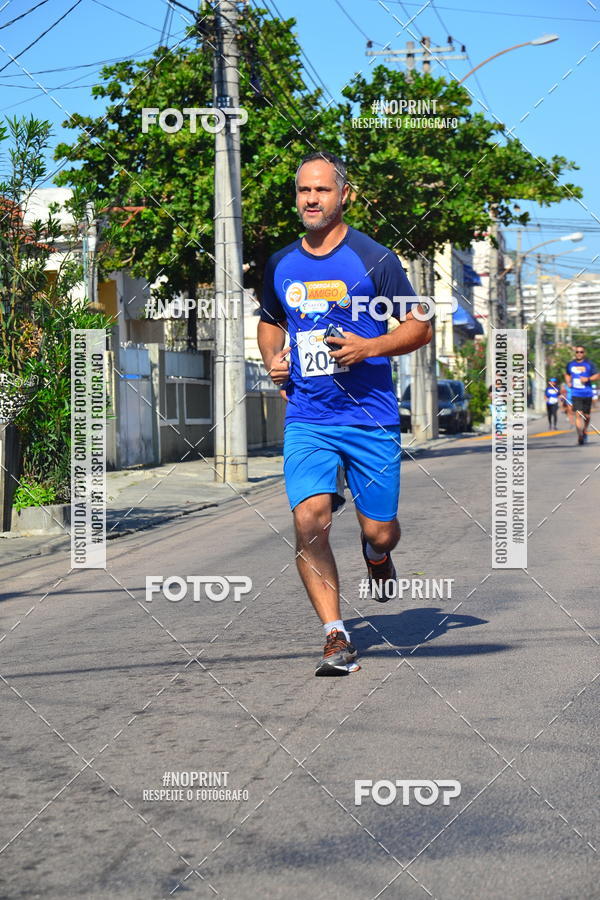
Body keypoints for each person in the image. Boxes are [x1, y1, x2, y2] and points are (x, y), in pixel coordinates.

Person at [257, 151, 431, 676]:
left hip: (371, 417)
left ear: (343, 196)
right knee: (309, 520)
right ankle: (335, 634)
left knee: (380, 530)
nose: (311, 199)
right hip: (307, 415)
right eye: (304, 191)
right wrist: (272, 360)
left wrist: (369, 347)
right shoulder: (280, 262)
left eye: (322, 191)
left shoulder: (374, 259)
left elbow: (420, 325)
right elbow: (270, 321)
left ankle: (377, 557)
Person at [565, 345, 599, 444]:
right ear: (575, 353)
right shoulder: (570, 364)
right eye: (577, 352)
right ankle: (580, 435)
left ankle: (585, 430)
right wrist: (568, 382)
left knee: (587, 416)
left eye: (581, 352)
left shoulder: (589, 364)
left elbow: (597, 375)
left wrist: (587, 379)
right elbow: (567, 374)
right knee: (578, 414)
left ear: (584, 353)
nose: (579, 353)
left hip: (587, 393)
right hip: (576, 393)